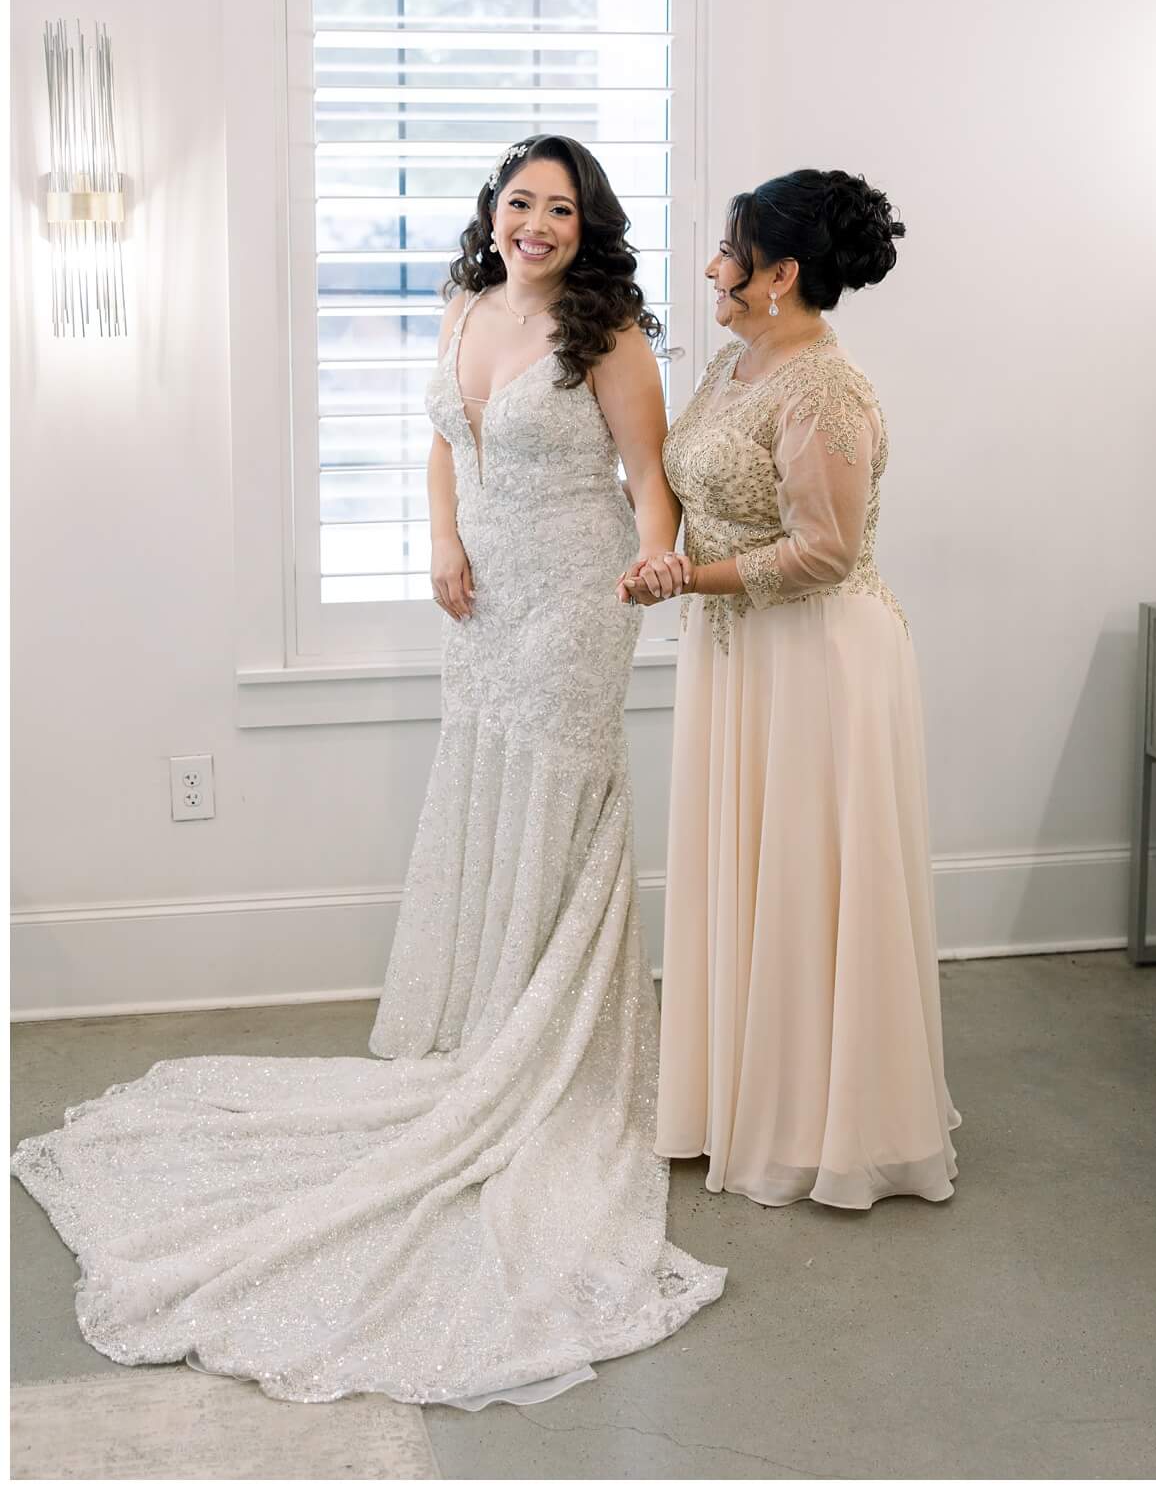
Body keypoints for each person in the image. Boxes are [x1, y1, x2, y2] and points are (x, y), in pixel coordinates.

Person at [12, 135, 723, 1407]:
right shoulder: (464, 303)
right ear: (493, 212)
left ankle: (540, 1052)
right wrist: (441, 543)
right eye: (522, 203)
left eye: (562, 207)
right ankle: (480, 1025)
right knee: (485, 788)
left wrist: (656, 564)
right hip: (489, 593)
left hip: (576, 596)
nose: (538, 224)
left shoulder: (609, 335)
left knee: (559, 799)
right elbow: (447, 441)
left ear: (591, 223)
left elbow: (648, 480)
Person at [625, 168, 958, 1210]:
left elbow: (823, 551)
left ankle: (826, 1120)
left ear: (783, 273)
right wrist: (661, 552)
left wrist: (689, 577)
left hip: (816, 656)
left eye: (730, 253)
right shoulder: (734, 365)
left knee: (810, 877)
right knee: (747, 870)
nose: (714, 270)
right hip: (738, 653)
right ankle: (735, 1095)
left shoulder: (827, 389)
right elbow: (685, 486)